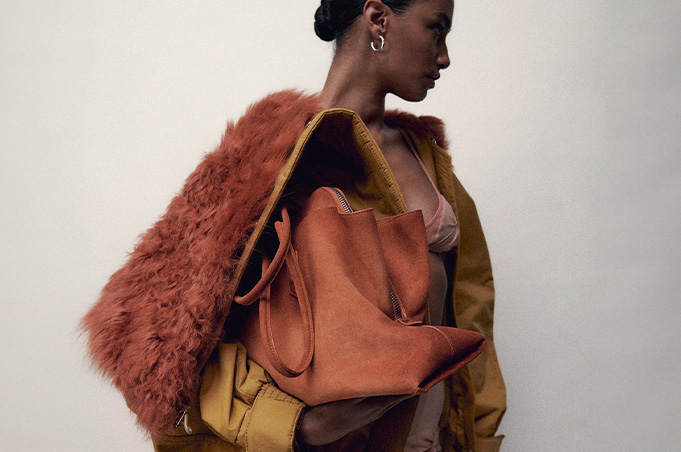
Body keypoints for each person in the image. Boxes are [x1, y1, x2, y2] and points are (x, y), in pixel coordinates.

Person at [81, 1, 506, 451]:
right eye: (437, 29)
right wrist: (293, 426)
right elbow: (152, 350)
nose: (444, 57)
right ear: (378, 19)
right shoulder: (267, 155)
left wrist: (481, 441)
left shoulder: (430, 162)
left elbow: (474, 322)